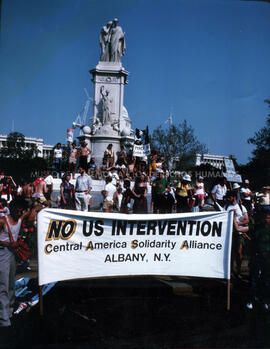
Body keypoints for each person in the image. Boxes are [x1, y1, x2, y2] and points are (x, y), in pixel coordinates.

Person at [0, 198, 29, 329]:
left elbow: (34, 210)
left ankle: (9, 312)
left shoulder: (20, 218)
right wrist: (9, 243)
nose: (20, 212)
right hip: (3, 254)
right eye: (19, 210)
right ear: (12, 208)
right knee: (3, 286)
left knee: (11, 283)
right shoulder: (2, 221)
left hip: (12, 255)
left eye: (22, 210)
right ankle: (3, 318)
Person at [246, 209, 270, 310]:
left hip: (267, 258)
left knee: (266, 280)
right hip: (257, 256)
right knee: (254, 279)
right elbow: (239, 228)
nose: (267, 219)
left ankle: (265, 301)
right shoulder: (256, 228)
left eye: (269, 218)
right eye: (266, 217)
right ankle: (251, 300)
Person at [225, 190, 250, 278]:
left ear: (234, 197)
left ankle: (238, 270)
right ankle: (231, 271)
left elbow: (247, 220)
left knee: (239, 252)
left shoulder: (241, 207)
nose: (228, 199)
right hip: (229, 233)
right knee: (230, 253)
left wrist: (237, 224)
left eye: (229, 197)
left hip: (239, 233)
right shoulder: (226, 206)